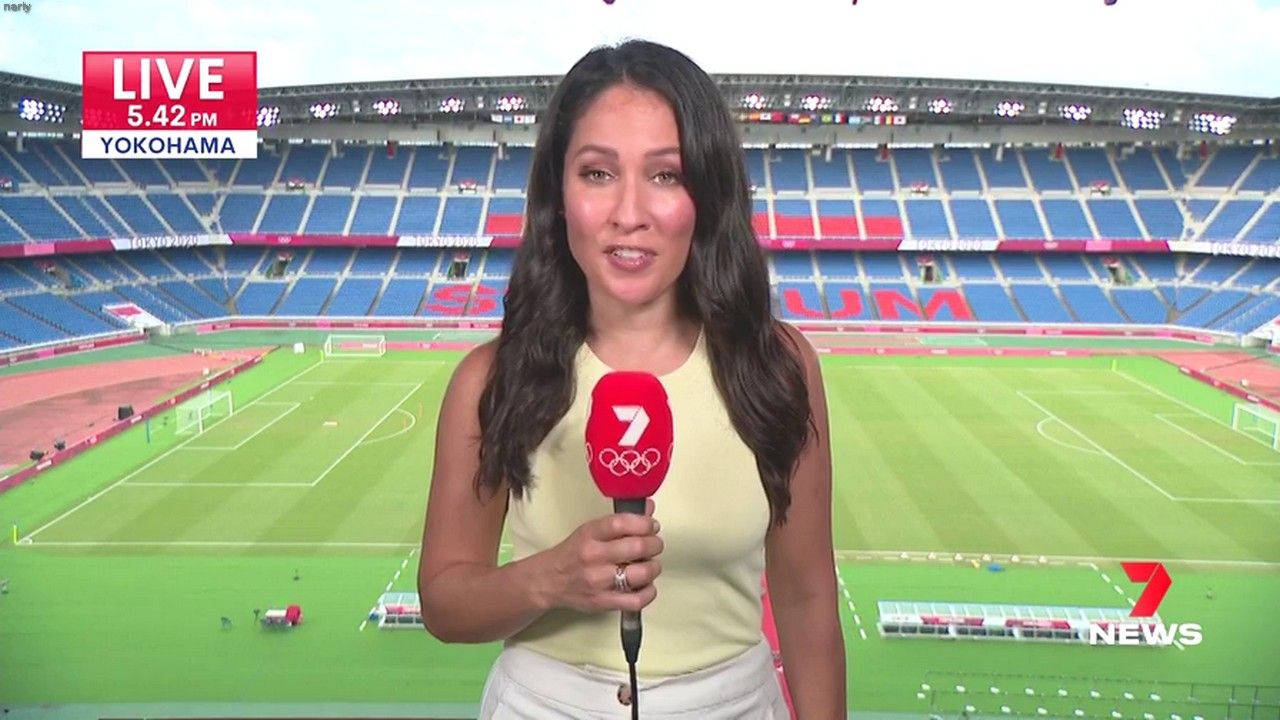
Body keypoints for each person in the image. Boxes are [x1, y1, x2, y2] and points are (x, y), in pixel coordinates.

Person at [417, 39, 844, 718]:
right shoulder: (491, 379)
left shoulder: (780, 366)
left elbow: (808, 596)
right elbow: (444, 604)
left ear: (707, 193)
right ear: (558, 193)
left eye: (666, 175)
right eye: (597, 173)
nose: (629, 212)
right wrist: (551, 578)